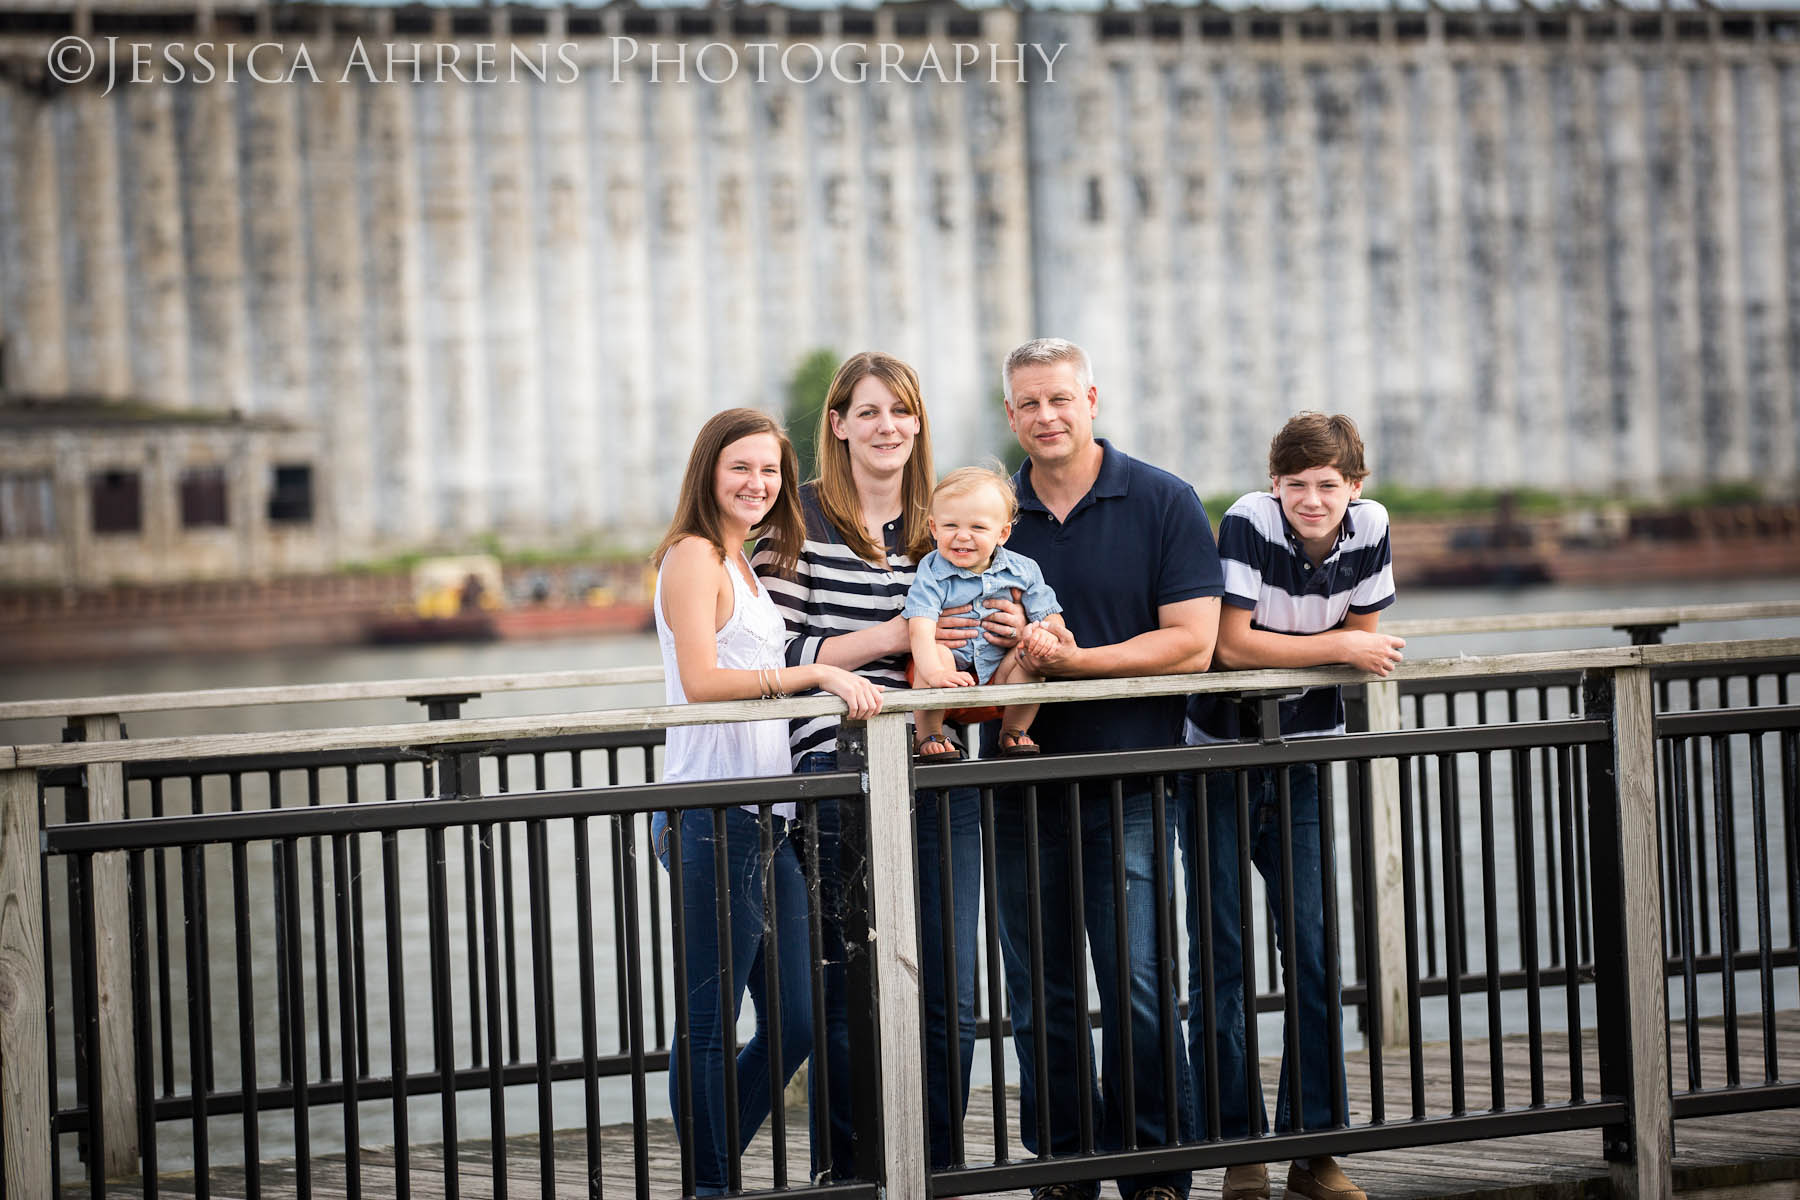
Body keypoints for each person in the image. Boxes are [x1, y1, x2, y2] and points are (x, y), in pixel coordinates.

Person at [753, 352, 1023, 1179]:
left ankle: (935, 1171)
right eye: (868, 412)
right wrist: (891, 638)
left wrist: (1005, 636)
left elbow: (967, 644)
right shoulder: (796, 523)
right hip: (836, 773)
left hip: (938, 764)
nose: (887, 428)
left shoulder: (941, 525)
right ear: (836, 424)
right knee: (847, 988)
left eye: (901, 412)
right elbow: (776, 652)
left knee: (950, 989)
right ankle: (851, 1171)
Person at [990, 337, 1224, 1200]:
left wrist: (1072, 667)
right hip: (1014, 782)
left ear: (1092, 398)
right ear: (1009, 414)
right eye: (1028, 405)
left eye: (1060, 399)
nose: (1046, 417)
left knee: (1136, 984)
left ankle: (1157, 1170)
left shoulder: (1163, 499)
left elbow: (1193, 645)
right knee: (1037, 990)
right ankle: (1062, 1165)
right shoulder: (989, 510)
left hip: (1130, 779)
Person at [649, 407, 883, 1197]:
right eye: (741, 467)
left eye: (771, 470)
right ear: (708, 471)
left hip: (765, 815)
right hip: (710, 813)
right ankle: (712, 1183)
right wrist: (812, 676)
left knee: (796, 1018)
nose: (758, 483)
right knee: (709, 1024)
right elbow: (704, 686)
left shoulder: (742, 563)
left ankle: (707, 1162)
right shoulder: (690, 558)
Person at [1178, 412, 1403, 1200]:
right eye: (1296, 485)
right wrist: (1336, 644)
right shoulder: (1247, 520)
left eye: (1329, 485)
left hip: (1303, 756)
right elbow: (1233, 645)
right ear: (1275, 485)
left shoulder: (1370, 527)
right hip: (1219, 757)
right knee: (1222, 956)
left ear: (1356, 487)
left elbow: (1368, 639)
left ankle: (1316, 1150)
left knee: (1311, 949)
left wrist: (1344, 644)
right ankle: (1241, 1147)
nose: (1313, 499)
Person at [903, 464, 1065, 760]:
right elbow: (920, 626)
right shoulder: (932, 570)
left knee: (1031, 657)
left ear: (1002, 533)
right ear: (934, 528)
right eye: (951, 526)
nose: (962, 536)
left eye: (977, 527)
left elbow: (1049, 613)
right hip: (944, 680)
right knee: (934, 652)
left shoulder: (1022, 570)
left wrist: (1048, 635)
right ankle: (928, 734)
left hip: (998, 680)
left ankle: (1013, 730)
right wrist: (936, 672)